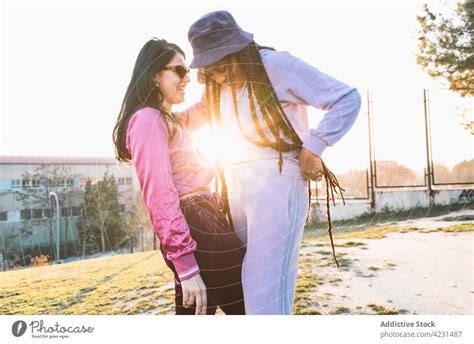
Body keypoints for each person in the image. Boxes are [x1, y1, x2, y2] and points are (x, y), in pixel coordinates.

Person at [180, 11, 362, 314]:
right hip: (236, 188)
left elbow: (347, 98)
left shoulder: (275, 65)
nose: (217, 75)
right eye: (210, 68)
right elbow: (199, 113)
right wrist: (160, 123)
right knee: (243, 295)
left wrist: (315, 147)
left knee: (264, 295)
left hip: (278, 183)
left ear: (238, 48)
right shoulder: (215, 83)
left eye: (221, 64)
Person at [112, 38, 246, 315]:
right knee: (251, 306)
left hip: (201, 219)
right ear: (154, 75)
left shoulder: (169, 120)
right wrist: (186, 267)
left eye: (188, 71)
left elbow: (207, 108)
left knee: (196, 313)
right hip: (195, 223)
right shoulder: (148, 120)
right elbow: (159, 195)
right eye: (179, 71)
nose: (187, 79)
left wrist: (211, 70)